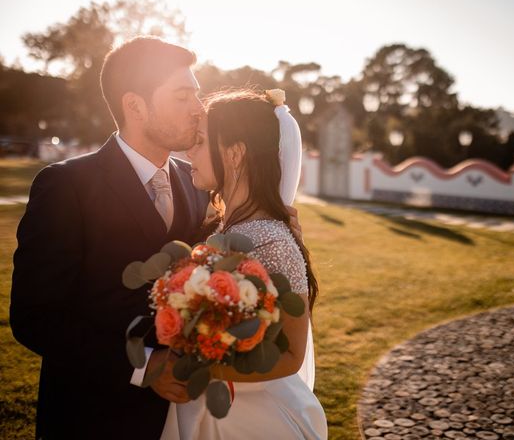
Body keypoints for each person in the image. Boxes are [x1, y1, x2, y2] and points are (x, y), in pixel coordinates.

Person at [10, 36, 303, 439]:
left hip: (182, 418)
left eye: (197, 96)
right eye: (183, 97)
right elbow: (35, 318)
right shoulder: (65, 186)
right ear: (135, 105)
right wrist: (143, 366)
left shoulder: (199, 184)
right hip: (91, 417)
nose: (198, 110)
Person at [158, 88, 327, 439]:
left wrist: (202, 368)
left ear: (234, 153)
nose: (189, 150)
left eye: (201, 141)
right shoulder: (224, 227)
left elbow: (292, 355)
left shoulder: (273, 241)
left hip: (248, 420)